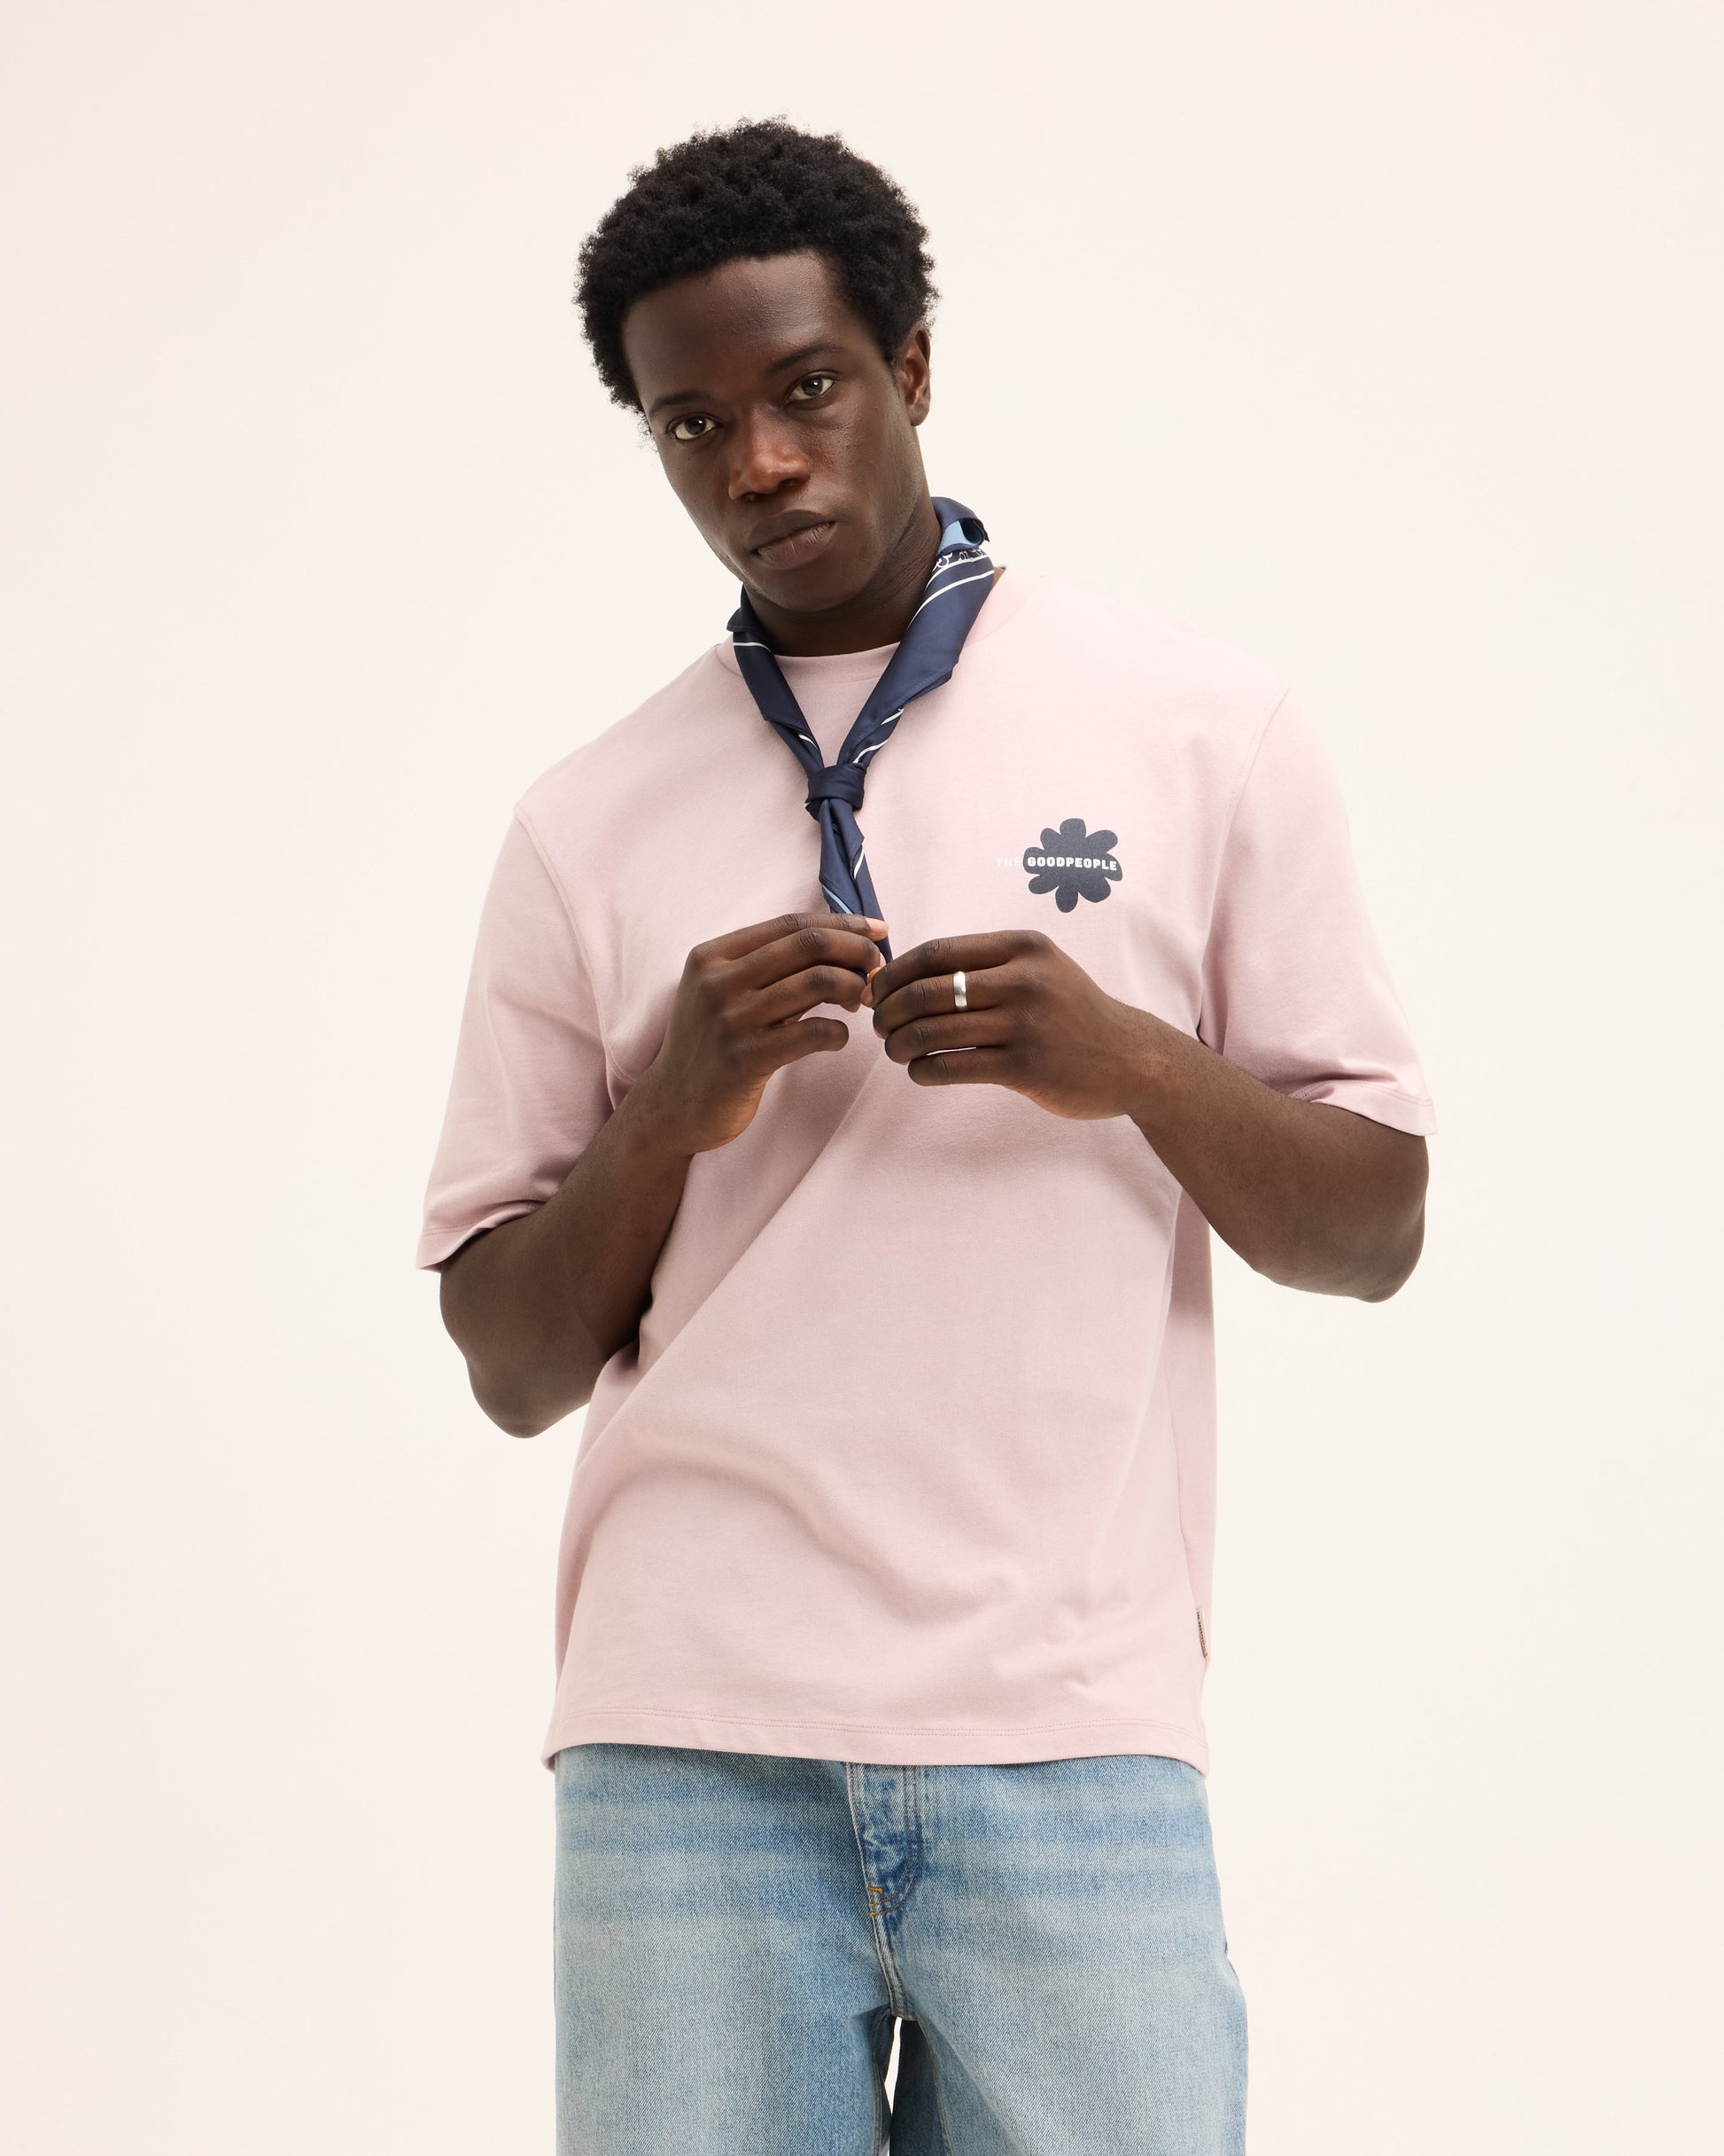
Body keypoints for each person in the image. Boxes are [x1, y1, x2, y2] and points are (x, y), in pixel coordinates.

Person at [415, 118, 1436, 2156]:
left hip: (1068, 1725)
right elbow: (510, 1361)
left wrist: (1132, 1059)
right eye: (692, 423)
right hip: (686, 1741)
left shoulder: (1198, 727)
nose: (759, 463)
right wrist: (668, 1108)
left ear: (911, 366)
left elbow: (1375, 1225)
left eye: (806, 389)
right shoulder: (585, 818)